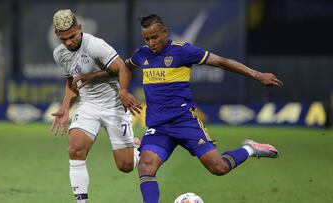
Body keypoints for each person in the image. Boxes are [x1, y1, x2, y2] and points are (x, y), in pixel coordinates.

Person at [124, 14, 284, 203]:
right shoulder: (141, 54)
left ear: (165, 32)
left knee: (219, 168)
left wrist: (256, 74)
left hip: (184, 121)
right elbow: (122, 67)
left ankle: (249, 149)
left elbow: (223, 62)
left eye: (155, 37)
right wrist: (120, 88)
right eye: (147, 39)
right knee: (146, 167)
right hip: (159, 126)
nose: (151, 43)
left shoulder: (183, 51)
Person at [50, 9, 142, 203]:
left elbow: (123, 68)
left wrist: (123, 91)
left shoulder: (95, 45)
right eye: (63, 39)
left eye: (72, 36)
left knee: (125, 166)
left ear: (80, 28)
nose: (68, 42)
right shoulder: (60, 54)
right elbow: (72, 83)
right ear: (58, 36)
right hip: (88, 105)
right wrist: (66, 106)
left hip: (114, 106)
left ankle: (136, 147)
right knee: (75, 149)